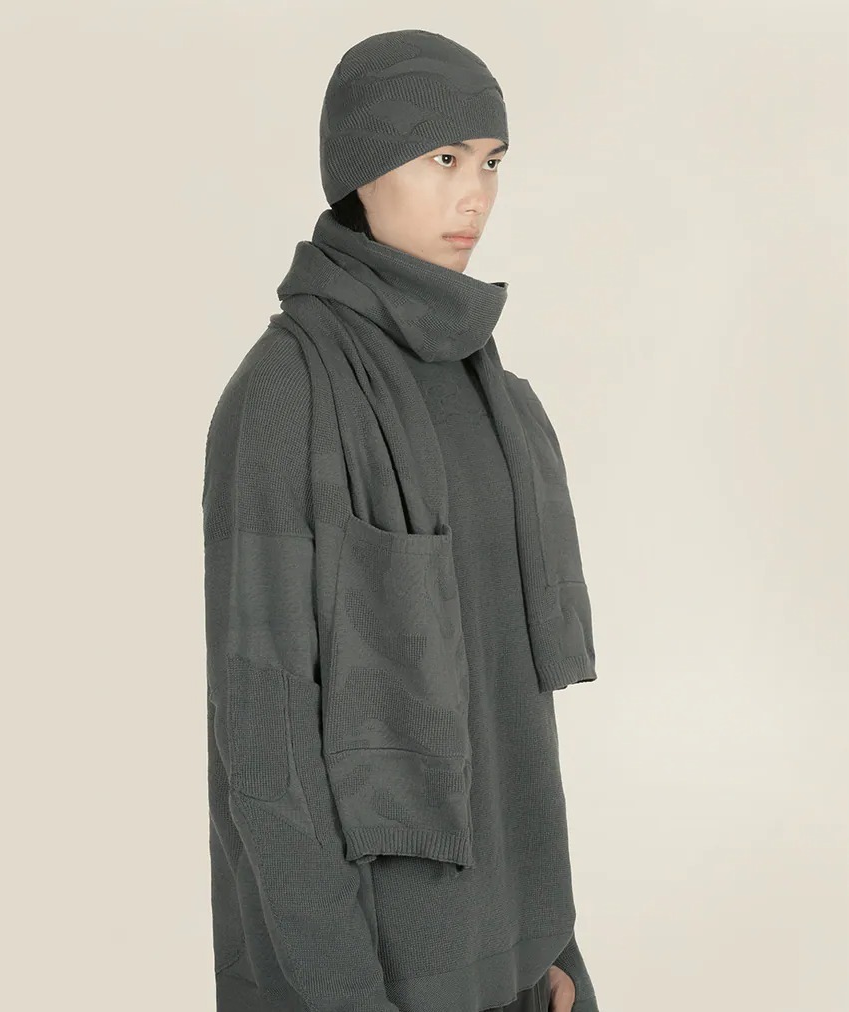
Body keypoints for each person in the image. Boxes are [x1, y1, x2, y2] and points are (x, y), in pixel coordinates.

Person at [202, 28, 601, 1012]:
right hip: (373, 977)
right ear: (362, 166)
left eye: (492, 162)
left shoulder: (491, 390)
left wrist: (553, 949)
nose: (477, 196)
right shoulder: (285, 397)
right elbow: (265, 750)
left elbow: (510, 703)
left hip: (518, 964)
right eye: (444, 159)